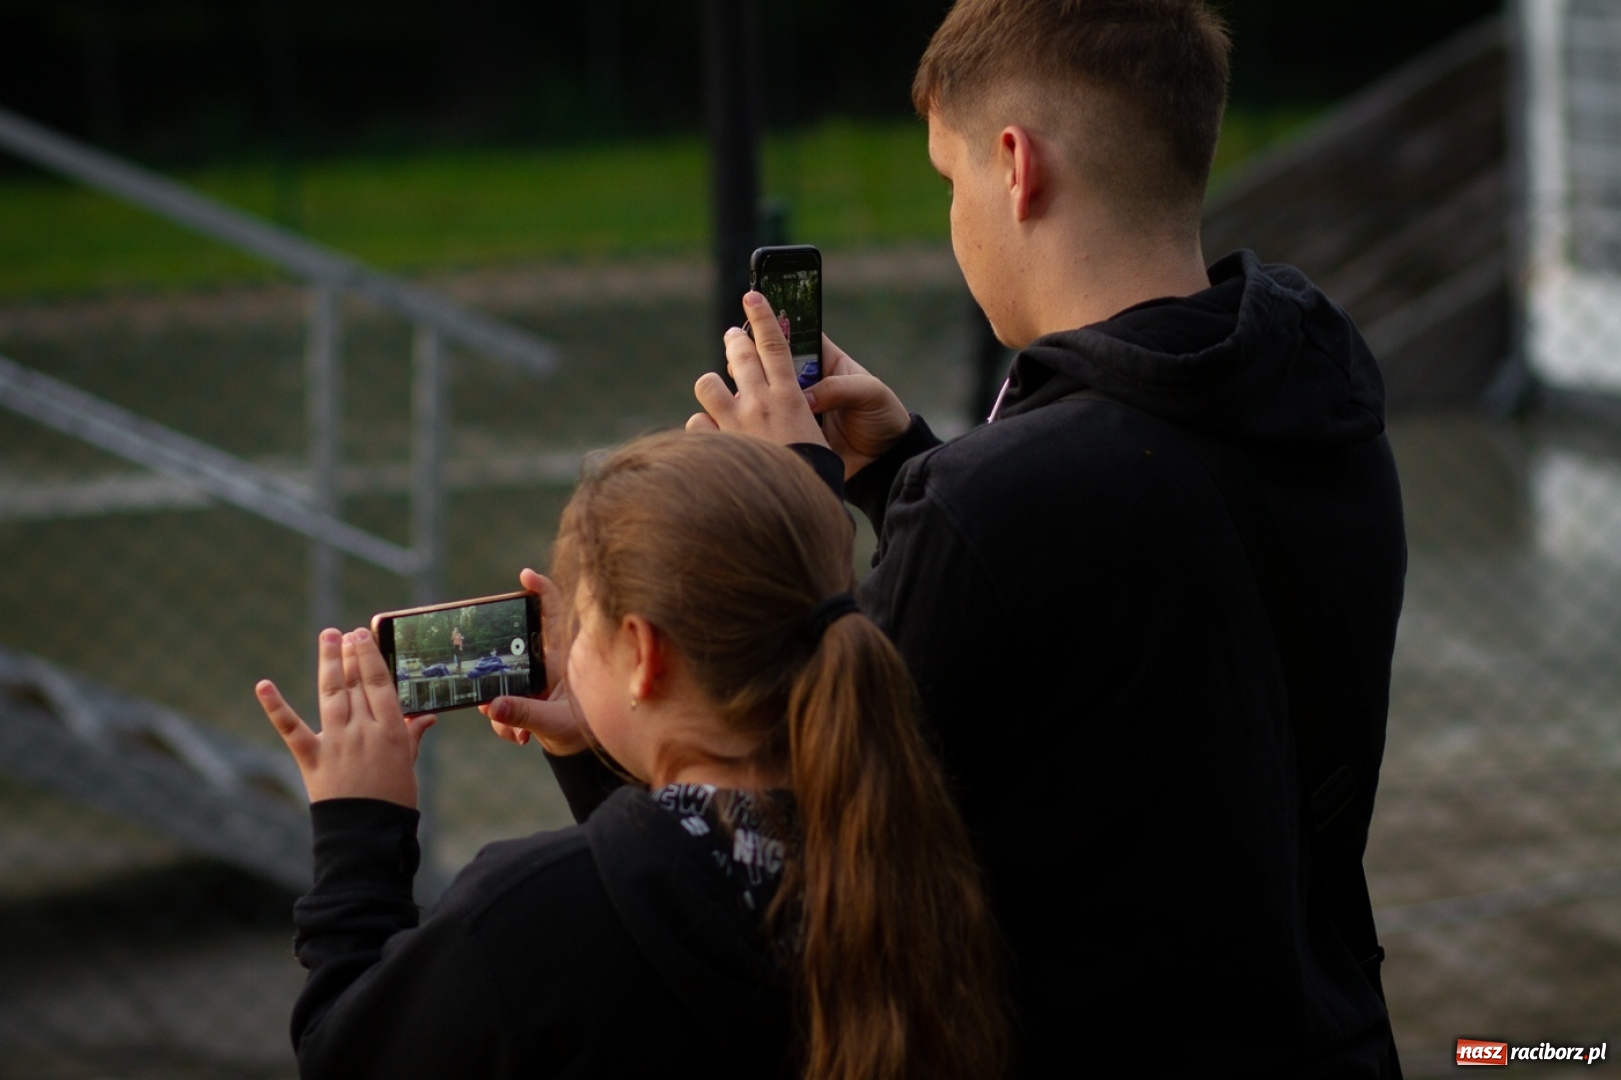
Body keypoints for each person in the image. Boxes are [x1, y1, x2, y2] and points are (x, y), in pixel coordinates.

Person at [678, 0, 1408, 1076]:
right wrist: (904, 473)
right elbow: (1136, 597)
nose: (952, 216)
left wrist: (786, 497)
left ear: (1015, 168)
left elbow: (799, 842)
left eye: (947, 179)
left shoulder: (1002, 505)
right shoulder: (1321, 397)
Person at [254, 431, 1009, 1080]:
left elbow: (346, 1055)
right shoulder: (913, 845)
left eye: (583, 626)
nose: (570, 649)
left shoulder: (525, 916)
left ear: (642, 653)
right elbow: (680, 889)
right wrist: (601, 747)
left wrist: (359, 829)